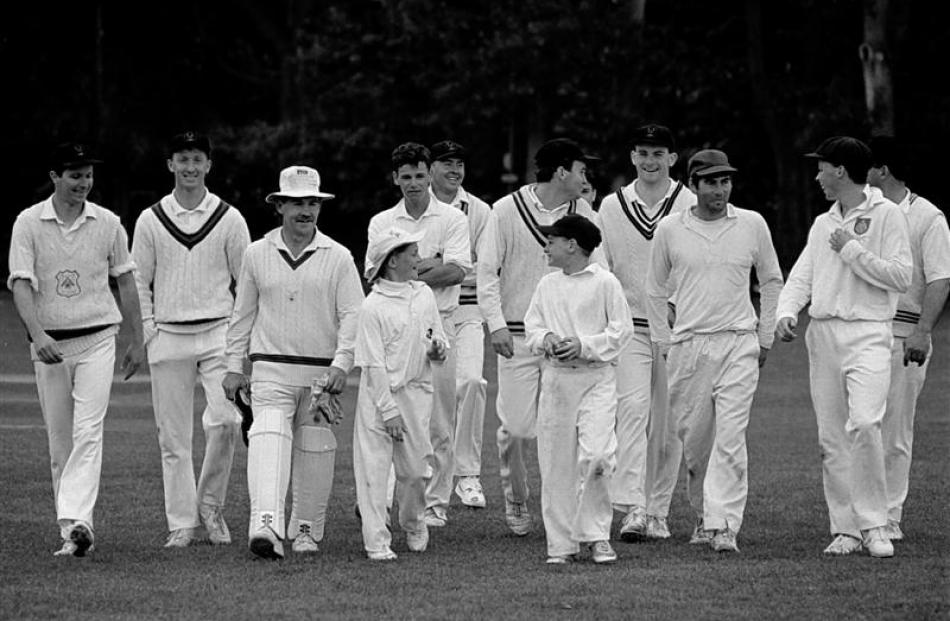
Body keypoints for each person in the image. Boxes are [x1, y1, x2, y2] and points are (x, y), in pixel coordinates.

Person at [776, 136, 912, 558]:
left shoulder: (887, 215)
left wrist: (852, 250)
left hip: (870, 331)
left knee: (867, 424)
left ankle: (875, 525)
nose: (817, 177)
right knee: (831, 437)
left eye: (822, 168)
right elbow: (802, 275)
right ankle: (846, 529)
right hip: (824, 334)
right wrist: (786, 312)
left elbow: (901, 276)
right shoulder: (822, 224)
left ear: (840, 170)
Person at [7, 142, 145, 557]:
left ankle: (80, 521)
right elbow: (21, 284)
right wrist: (39, 335)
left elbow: (126, 281)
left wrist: (138, 339)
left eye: (87, 175)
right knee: (59, 440)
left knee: (89, 430)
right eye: (74, 175)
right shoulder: (28, 222)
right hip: (49, 344)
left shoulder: (108, 223)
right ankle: (71, 529)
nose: (83, 183)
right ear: (54, 177)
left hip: (99, 338)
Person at [222, 165, 363, 559]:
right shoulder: (256, 253)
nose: (306, 210)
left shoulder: (338, 256)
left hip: (322, 377)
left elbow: (354, 315)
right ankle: (265, 526)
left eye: (313, 203)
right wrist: (234, 366)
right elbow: (242, 316)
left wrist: (342, 363)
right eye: (298, 202)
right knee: (268, 439)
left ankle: (306, 532)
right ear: (279, 206)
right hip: (270, 371)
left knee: (316, 449)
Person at [646, 149, 783, 553]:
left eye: (725, 181)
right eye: (711, 182)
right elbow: (654, 290)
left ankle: (725, 525)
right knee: (698, 443)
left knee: (730, 436)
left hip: (739, 340)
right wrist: (664, 343)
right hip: (688, 345)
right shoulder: (670, 229)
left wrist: (765, 335)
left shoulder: (752, 223)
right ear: (693, 185)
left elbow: (771, 279)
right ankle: (707, 516)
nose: (720, 190)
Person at [477, 138, 601, 536]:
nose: (586, 178)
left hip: (565, 342)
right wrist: (495, 324)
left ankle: (567, 513)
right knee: (516, 429)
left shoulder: (585, 213)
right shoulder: (505, 210)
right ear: (562, 171)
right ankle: (516, 495)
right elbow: (486, 273)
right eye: (581, 170)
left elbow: (599, 274)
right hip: (515, 336)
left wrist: (588, 336)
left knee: (566, 431)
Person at [132, 131, 250, 548]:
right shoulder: (151, 219)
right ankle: (181, 521)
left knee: (225, 422)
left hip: (218, 332)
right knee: (173, 437)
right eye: (182, 159)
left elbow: (247, 283)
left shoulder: (229, 217)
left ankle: (211, 507)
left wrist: (239, 341)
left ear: (209, 165)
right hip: (169, 335)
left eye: (197, 159)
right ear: (170, 164)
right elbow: (139, 282)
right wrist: (148, 333)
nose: (190, 167)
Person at [597, 123, 696, 542]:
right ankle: (635, 507)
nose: (650, 161)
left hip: (678, 326)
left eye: (659, 153)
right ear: (632, 156)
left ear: (672, 159)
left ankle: (658, 511)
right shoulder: (611, 205)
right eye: (643, 153)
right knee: (632, 412)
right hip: (631, 326)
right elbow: (602, 267)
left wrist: (679, 306)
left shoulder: (689, 201)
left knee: (669, 421)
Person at [365, 143, 471, 528]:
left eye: (419, 176)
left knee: (440, 421)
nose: (413, 183)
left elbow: (458, 272)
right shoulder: (381, 221)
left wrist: (406, 269)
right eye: (405, 177)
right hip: (391, 327)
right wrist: (431, 264)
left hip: (438, 323)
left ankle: (436, 503)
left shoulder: (452, 218)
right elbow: (374, 273)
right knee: (388, 416)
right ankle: (386, 500)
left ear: (430, 175)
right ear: (395, 178)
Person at [525, 214, 632, 564]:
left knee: (599, 455)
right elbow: (532, 327)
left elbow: (621, 333)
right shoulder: (548, 285)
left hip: (596, 378)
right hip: (556, 380)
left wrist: (584, 345)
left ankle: (597, 536)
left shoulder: (606, 283)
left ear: (572, 245)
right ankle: (561, 545)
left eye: (551, 240)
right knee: (556, 464)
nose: (546, 247)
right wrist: (549, 338)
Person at [866, 136, 950, 541]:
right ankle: (861, 514)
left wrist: (922, 331)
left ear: (882, 170)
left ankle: (890, 514)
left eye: (864, 166)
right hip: (862, 333)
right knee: (862, 426)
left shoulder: (927, 217)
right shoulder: (860, 212)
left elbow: (939, 278)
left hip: (905, 335)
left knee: (895, 430)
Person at [353, 227, 448, 561]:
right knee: (374, 473)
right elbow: (373, 364)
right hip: (379, 400)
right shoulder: (372, 307)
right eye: (412, 253)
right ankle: (376, 541)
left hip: (417, 395)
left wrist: (439, 350)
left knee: (415, 472)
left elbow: (438, 336)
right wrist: (388, 410)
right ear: (393, 260)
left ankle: (413, 522)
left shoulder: (423, 294)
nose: (419, 259)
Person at [428, 140, 492, 509]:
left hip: (468, 310)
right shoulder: (420, 206)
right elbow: (404, 267)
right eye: (446, 163)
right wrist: (447, 268)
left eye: (460, 163)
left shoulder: (479, 211)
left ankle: (467, 474)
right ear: (431, 167)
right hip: (426, 313)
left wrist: (437, 268)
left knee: (470, 381)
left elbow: (480, 268)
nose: (455, 170)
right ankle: (426, 474)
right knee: (429, 395)